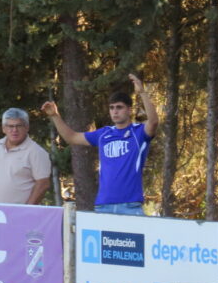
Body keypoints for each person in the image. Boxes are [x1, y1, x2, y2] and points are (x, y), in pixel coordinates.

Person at [41, 74, 158, 215]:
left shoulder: (138, 132)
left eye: (119, 107)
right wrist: (55, 116)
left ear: (129, 110)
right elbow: (71, 137)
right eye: (112, 108)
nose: (115, 111)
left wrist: (143, 93)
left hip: (130, 206)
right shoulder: (103, 134)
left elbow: (153, 122)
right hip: (103, 205)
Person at [0, 108, 52, 206]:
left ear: (27, 127)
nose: (14, 130)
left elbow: (43, 184)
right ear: (3, 128)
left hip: (18, 216)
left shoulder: (36, 152)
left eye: (19, 126)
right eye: (10, 126)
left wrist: (25, 210)